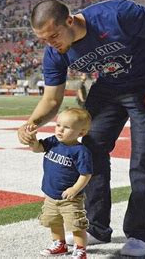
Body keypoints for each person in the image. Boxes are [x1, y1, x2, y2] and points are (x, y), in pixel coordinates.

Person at [17, 0, 145, 257]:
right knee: (90, 150)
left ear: (70, 21)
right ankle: (97, 227)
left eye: (54, 35)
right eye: (44, 39)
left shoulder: (117, 14)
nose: (52, 43)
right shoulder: (55, 52)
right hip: (109, 87)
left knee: (144, 159)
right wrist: (32, 123)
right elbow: (51, 99)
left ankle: (140, 234)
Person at [27, 108, 93, 258]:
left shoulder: (80, 151)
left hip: (70, 198)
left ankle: (81, 249)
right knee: (53, 221)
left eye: (67, 127)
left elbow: (86, 174)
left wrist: (75, 189)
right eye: (58, 125)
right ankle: (60, 244)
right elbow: (37, 148)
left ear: (81, 133)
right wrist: (33, 140)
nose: (60, 130)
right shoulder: (53, 141)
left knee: (76, 224)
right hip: (51, 194)